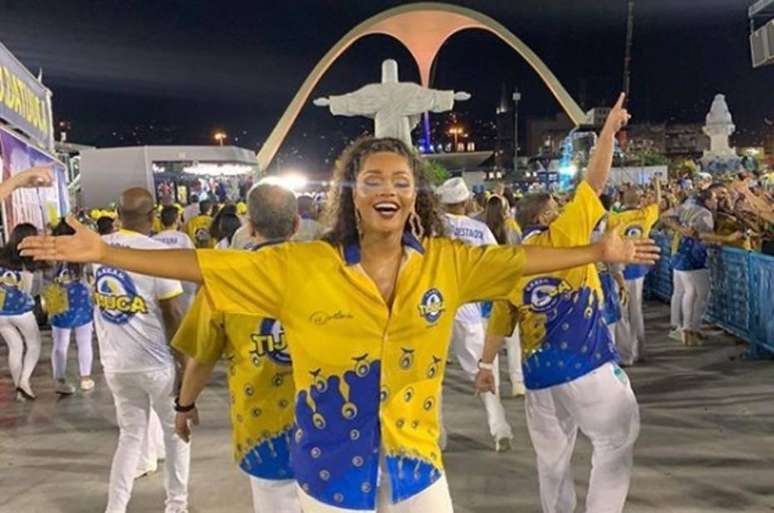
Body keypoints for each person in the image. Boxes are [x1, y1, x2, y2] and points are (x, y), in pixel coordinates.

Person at [21, 135, 658, 513]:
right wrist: (105, 252)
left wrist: (599, 251)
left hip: (417, 467)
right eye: (373, 178)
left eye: (402, 180)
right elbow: (203, 264)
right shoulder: (302, 267)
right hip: (330, 471)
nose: (389, 188)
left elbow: (519, 259)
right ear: (353, 193)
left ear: (416, 197)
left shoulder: (448, 265)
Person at [476, 95, 641, 513]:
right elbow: (595, 182)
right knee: (615, 442)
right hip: (588, 366)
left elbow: (501, 315)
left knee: (551, 464)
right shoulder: (566, 233)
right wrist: (607, 133)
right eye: (558, 207)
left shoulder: (512, 262)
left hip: (539, 380)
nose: (564, 207)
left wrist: (484, 365)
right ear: (548, 217)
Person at [174, 182, 301, 513]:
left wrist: (184, 406)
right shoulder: (329, 271)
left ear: (250, 227)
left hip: (263, 430)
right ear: (297, 224)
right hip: (332, 422)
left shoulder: (226, 279)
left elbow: (201, 357)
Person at [92, 188, 190, 513]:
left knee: (130, 436)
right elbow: (174, 315)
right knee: (176, 435)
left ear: (118, 214)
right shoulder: (157, 254)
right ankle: (176, 506)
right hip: (156, 364)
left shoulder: (100, 252)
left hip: (116, 364)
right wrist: (185, 367)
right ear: (152, 217)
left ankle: (115, 507)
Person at [435, 177, 513, 452]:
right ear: (466, 202)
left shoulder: (433, 230)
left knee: (433, 376)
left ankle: (438, 436)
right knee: (482, 370)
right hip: (469, 309)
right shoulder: (480, 230)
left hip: (435, 309)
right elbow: (497, 266)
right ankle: (499, 427)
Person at [607, 177, 661, 364]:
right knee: (636, 310)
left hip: (619, 268)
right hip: (639, 268)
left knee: (621, 312)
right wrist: (657, 185)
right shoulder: (645, 214)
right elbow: (658, 203)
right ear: (639, 200)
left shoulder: (615, 218)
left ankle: (626, 354)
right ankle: (640, 350)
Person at [44, 219, 96, 394]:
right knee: (84, 341)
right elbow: (91, 276)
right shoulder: (82, 254)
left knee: (59, 343)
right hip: (81, 300)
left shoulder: (50, 256)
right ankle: (85, 378)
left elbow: (45, 279)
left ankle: (59, 379)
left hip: (56, 298)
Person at [0, 223, 43, 401]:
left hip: (1, 313)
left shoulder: (1, 254)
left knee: (14, 347)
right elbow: (33, 291)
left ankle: (20, 388)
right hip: (22, 312)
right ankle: (24, 382)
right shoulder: (31, 261)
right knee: (34, 344)